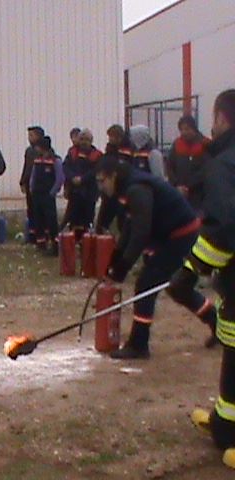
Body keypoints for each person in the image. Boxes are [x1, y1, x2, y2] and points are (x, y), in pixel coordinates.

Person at [170, 90, 235, 469]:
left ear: (222, 119)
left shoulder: (224, 164)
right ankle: (226, 424)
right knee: (232, 345)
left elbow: (225, 229)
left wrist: (190, 270)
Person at [97, 156, 215, 359]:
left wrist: (123, 267)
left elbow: (141, 232)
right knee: (179, 288)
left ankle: (138, 344)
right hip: (170, 236)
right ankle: (218, 324)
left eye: (102, 181)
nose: (101, 187)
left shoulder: (137, 188)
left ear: (113, 176)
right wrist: (115, 261)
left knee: (146, 283)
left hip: (182, 235)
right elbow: (129, 227)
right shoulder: (127, 187)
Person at [63, 129, 103, 238]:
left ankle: (86, 242)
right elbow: (66, 167)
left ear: (91, 141)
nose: (84, 142)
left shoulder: (97, 154)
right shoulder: (72, 152)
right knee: (73, 218)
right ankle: (74, 241)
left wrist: (82, 179)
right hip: (74, 191)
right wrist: (72, 178)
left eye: (86, 140)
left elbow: (96, 171)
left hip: (89, 192)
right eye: (81, 139)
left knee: (87, 219)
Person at [167, 115, 212, 213]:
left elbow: (207, 169)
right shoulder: (177, 145)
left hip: (199, 196)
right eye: (181, 129)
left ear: (194, 128)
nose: (184, 132)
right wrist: (176, 185)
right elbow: (169, 166)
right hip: (179, 194)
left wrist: (188, 186)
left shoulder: (205, 144)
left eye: (187, 129)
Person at [96, 124, 135, 232]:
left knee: (122, 219)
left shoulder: (128, 149)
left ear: (119, 137)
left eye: (112, 136)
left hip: (123, 188)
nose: (110, 139)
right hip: (110, 188)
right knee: (103, 219)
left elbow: (128, 167)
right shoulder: (110, 149)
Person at [30, 135, 64, 256]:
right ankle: (41, 244)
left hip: (48, 196)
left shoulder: (56, 160)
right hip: (37, 194)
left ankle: (55, 246)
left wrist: (53, 192)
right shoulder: (37, 160)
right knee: (38, 219)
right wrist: (32, 187)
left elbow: (60, 178)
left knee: (51, 221)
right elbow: (33, 175)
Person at [20, 126, 45, 243]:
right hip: (29, 186)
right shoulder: (29, 151)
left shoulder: (45, 151)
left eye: (32, 135)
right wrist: (23, 182)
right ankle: (31, 235)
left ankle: (42, 235)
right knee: (30, 211)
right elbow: (27, 167)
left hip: (39, 187)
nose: (29, 138)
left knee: (40, 211)